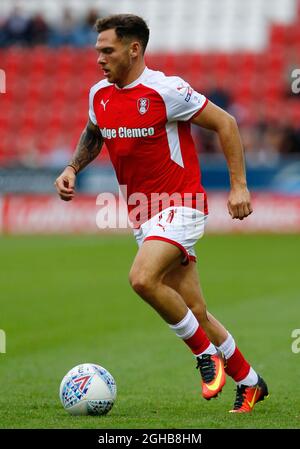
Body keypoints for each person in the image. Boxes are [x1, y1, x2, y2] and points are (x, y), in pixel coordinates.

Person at [55, 14, 269, 413]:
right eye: (97, 50)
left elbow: (226, 123)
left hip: (181, 205)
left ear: (134, 49)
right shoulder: (99, 94)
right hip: (142, 215)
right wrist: (71, 168)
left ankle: (204, 356)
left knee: (141, 278)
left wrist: (239, 185)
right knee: (196, 310)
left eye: (107, 50)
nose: (99, 58)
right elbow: (93, 132)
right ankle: (250, 381)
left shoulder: (165, 90)